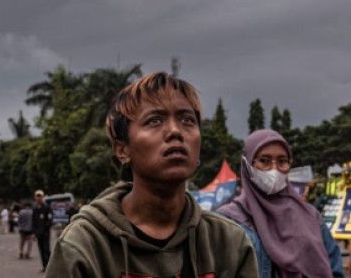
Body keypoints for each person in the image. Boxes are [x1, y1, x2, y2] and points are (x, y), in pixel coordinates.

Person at [45, 72, 259, 277]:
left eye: (187, 120)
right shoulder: (84, 245)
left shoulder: (229, 242)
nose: (176, 131)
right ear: (122, 149)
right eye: (155, 120)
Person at [216, 129, 345, 277]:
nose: (274, 169)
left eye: (282, 161)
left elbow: (335, 271)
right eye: (264, 161)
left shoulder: (311, 217)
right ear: (247, 165)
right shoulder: (227, 221)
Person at [31, 190, 53, 271]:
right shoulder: (35, 208)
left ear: (42, 197)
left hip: (45, 233)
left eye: (40, 196)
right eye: (37, 196)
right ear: (35, 197)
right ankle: (44, 267)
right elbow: (33, 221)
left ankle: (50, 267)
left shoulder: (47, 207)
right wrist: (33, 233)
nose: (38, 198)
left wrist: (45, 228)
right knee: (41, 250)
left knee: (46, 249)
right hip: (38, 233)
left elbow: (50, 220)